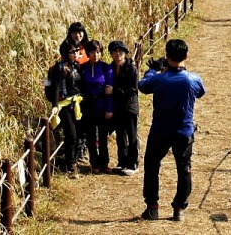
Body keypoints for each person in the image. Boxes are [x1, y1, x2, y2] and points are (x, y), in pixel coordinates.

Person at [138, 39, 205, 222]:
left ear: (166, 57)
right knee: (184, 168)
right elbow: (201, 92)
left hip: (160, 129)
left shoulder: (158, 79)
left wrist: (153, 69)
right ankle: (179, 208)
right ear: (186, 56)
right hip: (183, 131)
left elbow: (143, 86)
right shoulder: (193, 79)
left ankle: (152, 207)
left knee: (152, 166)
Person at [49, 40, 83, 178]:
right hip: (65, 104)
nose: (76, 53)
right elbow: (56, 86)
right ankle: (71, 165)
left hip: (77, 102)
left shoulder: (76, 65)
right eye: (73, 51)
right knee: (71, 135)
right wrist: (55, 105)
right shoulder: (60, 67)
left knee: (77, 134)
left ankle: (72, 161)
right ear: (65, 53)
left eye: (77, 50)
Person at [80, 40, 113, 174]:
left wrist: (109, 109)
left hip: (102, 106)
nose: (96, 55)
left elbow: (110, 90)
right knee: (91, 136)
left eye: (98, 52)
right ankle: (95, 164)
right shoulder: (82, 68)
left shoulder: (106, 68)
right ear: (88, 53)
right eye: (93, 52)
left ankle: (104, 163)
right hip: (88, 107)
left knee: (103, 137)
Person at [108, 40, 140, 176]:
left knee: (132, 135)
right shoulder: (110, 68)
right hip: (117, 107)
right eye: (115, 51)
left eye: (121, 51)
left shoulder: (131, 68)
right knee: (120, 135)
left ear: (126, 53)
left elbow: (133, 89)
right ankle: (122, 162)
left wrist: (114, 91)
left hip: (129, 106)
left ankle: (133, 163)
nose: (118, 54)